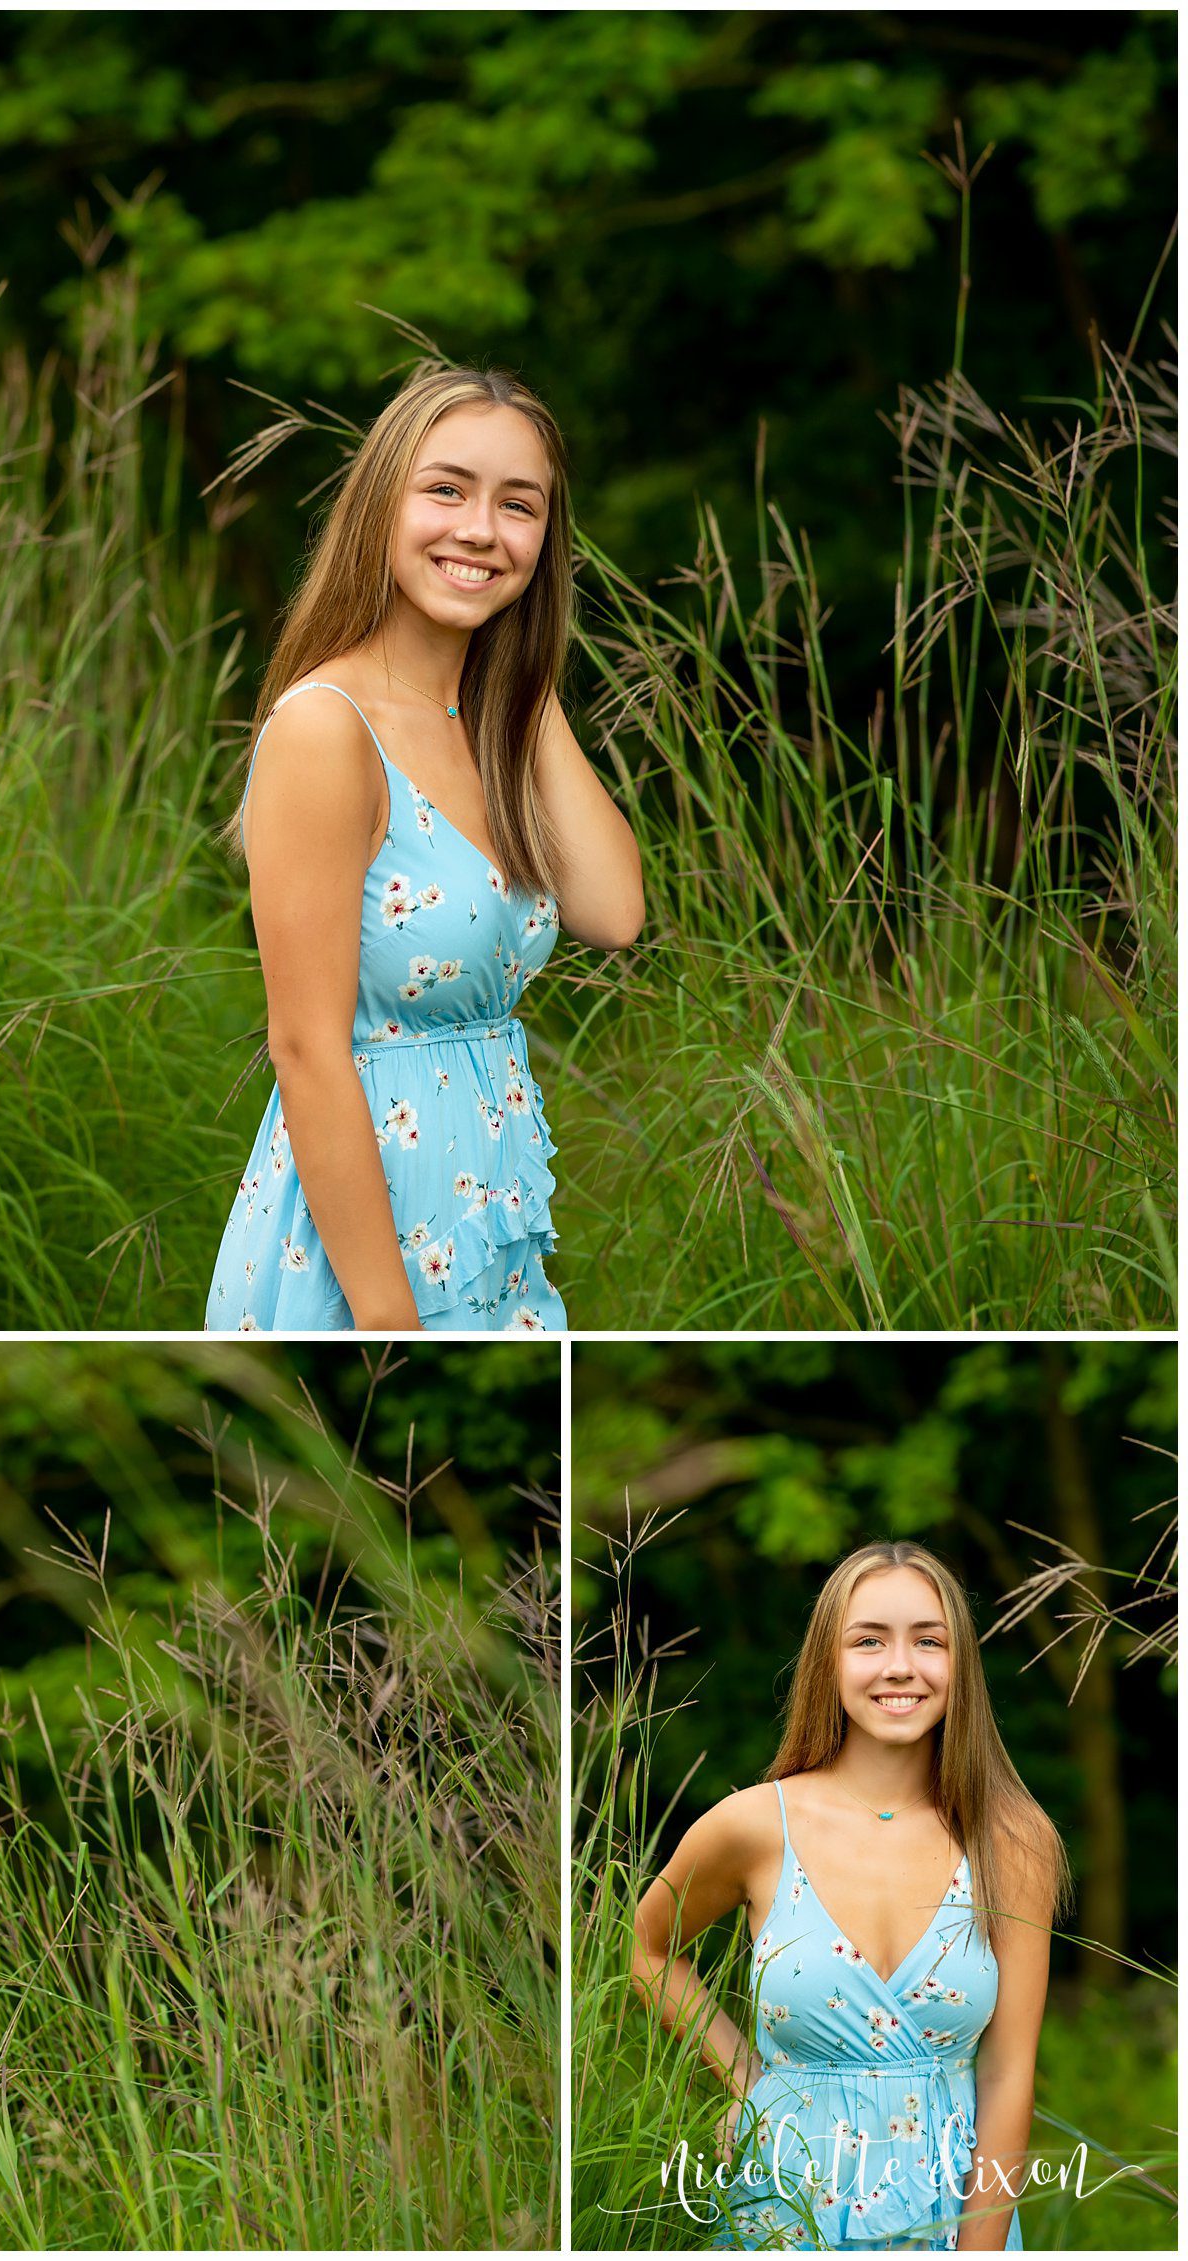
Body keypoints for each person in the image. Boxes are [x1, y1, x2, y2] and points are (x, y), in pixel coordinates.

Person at [204, 362, 643, 1333]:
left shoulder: (482, 723)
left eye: (516, 505)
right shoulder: (326, 730)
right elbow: (305, 1046)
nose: (480, 529)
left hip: (486, 1230)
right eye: (444, 489)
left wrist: (519, 680)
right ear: (378, 507)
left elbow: (612, 911)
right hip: (366, 1259)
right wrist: (387, 1323)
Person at [630, 1541, 1067, 2252]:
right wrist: (746, 2081)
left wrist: (980, 2248)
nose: (901, 1664)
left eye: (930, 1640)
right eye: (869, 1640)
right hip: (783, 2206)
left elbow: (1009, 2070)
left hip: (948, 2215)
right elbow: (646, 1947)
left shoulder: (1012, 1838)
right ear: (827, 1663)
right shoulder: (754, 1825)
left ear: (962, 1665)